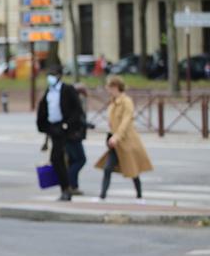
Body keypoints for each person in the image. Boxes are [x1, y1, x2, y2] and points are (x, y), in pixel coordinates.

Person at [95, 76, 153, 202]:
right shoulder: (113, 101)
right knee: (107, 168)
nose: (107, 90)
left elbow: (126, 121)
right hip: (115, 142)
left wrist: (116, 136)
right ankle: (102, 196)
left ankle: (139, 196)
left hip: (126, 141)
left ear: (115, 87)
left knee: (133, 170)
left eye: (109, 87)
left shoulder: (126, 101)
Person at [36, 66, 84, 201]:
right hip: (54, 129)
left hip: (67, 130)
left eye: (53, 74)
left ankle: (68, 187)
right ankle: (66, 188)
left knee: (69, 159)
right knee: (57, 160)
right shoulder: (49, 92)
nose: (50, 78)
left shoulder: (67, 90)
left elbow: (77, 109)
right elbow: (43, 110)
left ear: (59, 76)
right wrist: (45, 128)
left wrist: (67, 125)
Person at [65, 85, 93, 195]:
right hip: (73, 136)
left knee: (73, 161)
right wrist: (87, 124)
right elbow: (78, 118)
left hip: (69, 136)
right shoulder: (75, 103)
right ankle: (69, 185)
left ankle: (72, 186)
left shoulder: (67, 102)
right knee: (80, 160)